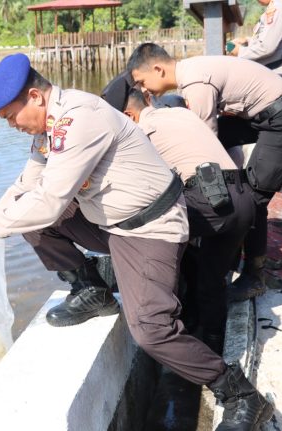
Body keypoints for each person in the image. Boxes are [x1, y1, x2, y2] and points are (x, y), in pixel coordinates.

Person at [0, 53, 273, 430]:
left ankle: (240, 394)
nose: (12, 126)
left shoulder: (79, 118)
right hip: (112, 224)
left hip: (149, 228)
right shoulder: (49, 129)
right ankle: (92, 290)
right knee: (34, 223)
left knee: (152, 331)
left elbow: (49, 200)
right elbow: (26, 188)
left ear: (35, 97)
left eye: (11, 116)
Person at [127, 44, 282, 302]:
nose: (143, 89)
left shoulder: (195, 83)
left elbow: (204, 142)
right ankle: (231, 249)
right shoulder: (191, 71)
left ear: (158, 69)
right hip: (261, 114)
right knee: (231, 180)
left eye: (141, 81)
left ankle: (254, 276)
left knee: (253, 196)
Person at [100, 73, 255, 354]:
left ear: (127, 116)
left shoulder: (139, 134)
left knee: (157, 237)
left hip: (208, 201)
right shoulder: (180, 114)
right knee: (211, 278)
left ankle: (186, 330)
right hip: (242, 199)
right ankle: (213, 344)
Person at [228, 0, 282, 82]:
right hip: (276, 74)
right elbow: (267, 38)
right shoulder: (280, 4)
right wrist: (248, 41)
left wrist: (239, 51)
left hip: (278, 76)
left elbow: (266, 48)